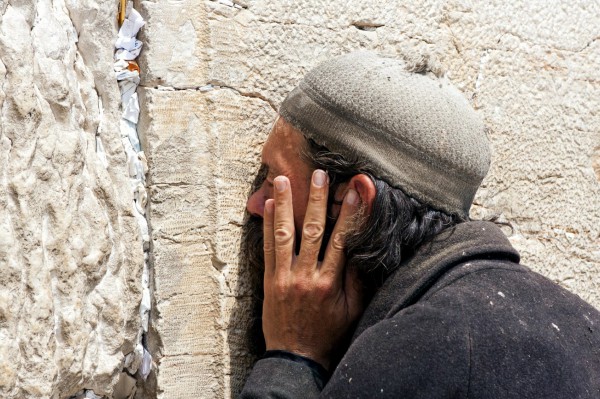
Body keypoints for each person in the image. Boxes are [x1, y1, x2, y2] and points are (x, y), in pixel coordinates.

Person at [239, 51, 600, 398]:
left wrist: (292, 359)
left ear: (355, 202)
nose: (256, 204)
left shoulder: (420, 348)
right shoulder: (585, 326)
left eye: (273, 181)